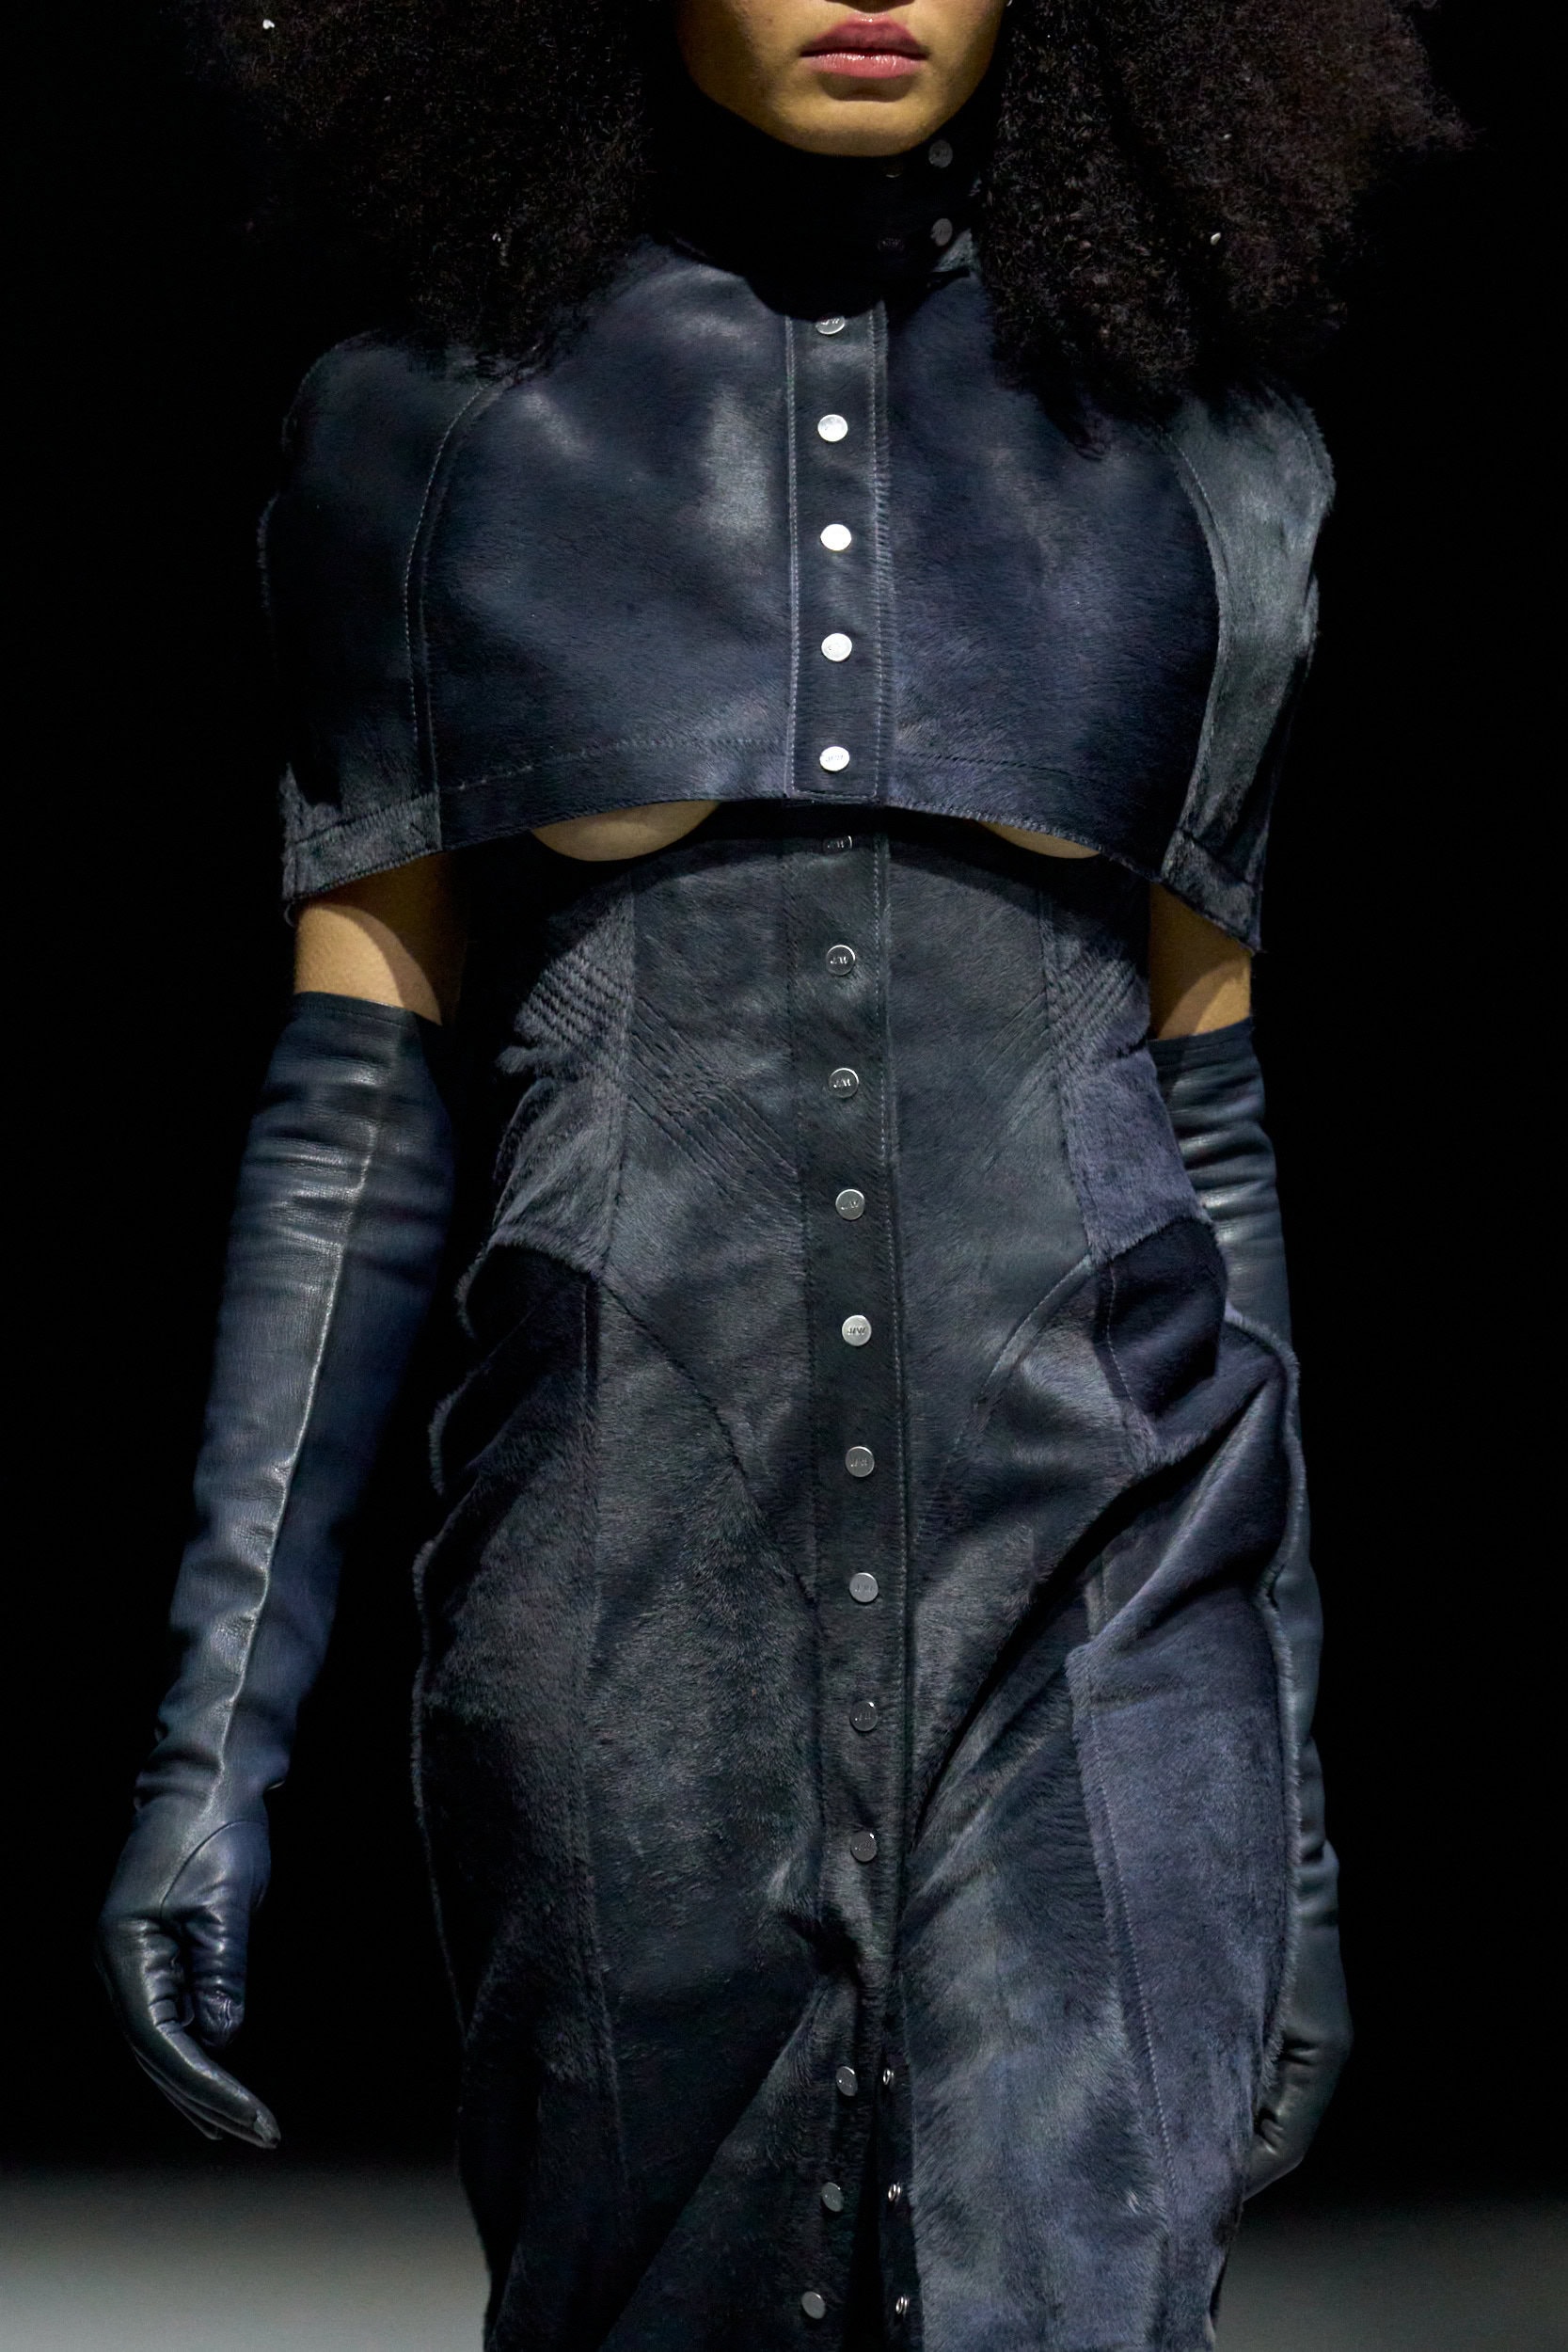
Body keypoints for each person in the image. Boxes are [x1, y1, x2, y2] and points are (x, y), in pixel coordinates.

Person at [96, 1, 1453, 2344]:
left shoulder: (1205, 464)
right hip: (624, 1610)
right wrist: (211, 1749)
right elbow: (355, 1134)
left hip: (1116, 1592)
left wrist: (1299, 1831)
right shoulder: (424, 438)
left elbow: (1214, 1150)